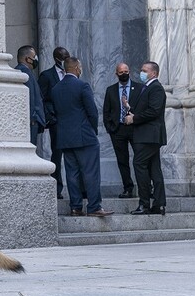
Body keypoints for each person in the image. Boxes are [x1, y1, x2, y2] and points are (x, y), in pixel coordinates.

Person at [51, 57, 113, 217]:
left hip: (65, 138)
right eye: (80, 67)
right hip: (85, 136)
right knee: (90, 172)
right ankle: (94, 207)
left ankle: (75, 207)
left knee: (72, 174)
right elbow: (92, 112)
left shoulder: (56, 88)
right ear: (77, 68)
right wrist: (92, 131)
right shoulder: (82, 85)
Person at [125, 61, 168, 215]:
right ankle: (158, 204)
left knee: (139, 164)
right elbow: (146, 109)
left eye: (144, 70)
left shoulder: (156, 87)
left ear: (153, 73)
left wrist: (134, 118)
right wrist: (130, 109)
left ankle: (144, 204)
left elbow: (153, 111)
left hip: (149, 136)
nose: (141, 72)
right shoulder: (148, 87)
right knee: (154, 169)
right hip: (147, 135)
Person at [38, 47, 71, 199]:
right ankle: (57, 188)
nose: (66, 60)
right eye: (63, 58)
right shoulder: (47, 76)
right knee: (57, 155)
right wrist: (50, 117)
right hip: (57, 122)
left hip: (71, 120)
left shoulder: (72, 75)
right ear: (57, 59)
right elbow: (42, 98)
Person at [102, 63, 138, 198]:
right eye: (121, 72)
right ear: (116, 74)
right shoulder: (110, 90)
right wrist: (110, 128)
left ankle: (146, 188)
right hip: (118, 129)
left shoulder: (138, 88)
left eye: (126, 71)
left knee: (140, 160)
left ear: (130, 72)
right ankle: (128, 188)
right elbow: (106, 111)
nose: (124, 74)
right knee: (122, 160)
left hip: (135, 128)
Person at [14, 45, 46, 145]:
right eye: (34, 56)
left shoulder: (25, 72)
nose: (36, 58)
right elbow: (29, 97)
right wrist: (32, 119)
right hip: (30, 123)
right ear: (28, 59)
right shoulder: (24, 72)